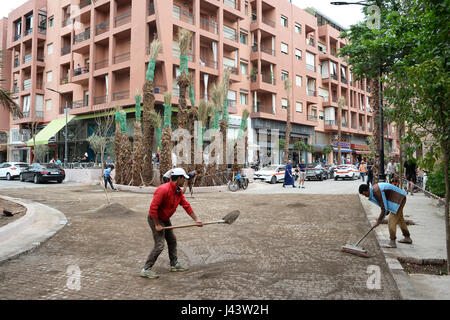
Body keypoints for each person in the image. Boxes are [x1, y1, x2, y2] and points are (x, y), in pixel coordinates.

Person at [141, 168, 203, 279]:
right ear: (179, 178)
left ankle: (174, 264)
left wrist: (196, 219)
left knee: (172, 240)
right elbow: (153, 208)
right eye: (183, 178)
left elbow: (186, 205)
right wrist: (157, 225)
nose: (184, 180)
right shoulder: (163, 189)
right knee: (160, 245)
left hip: (164, 218)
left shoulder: (178, 191)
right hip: (155, 218)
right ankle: (146, 269)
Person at [359, 183, 412, 248]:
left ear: (367, 190)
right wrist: (382, 216)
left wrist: (378, 221)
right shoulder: (373, 190)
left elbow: (384, 209)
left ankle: (392, 242)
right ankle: (407, 237)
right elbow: (384, 207)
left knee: (391, 221)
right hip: (398, 199)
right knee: (400, 219)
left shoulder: (376, 191)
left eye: (365, 194)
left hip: (399, 199)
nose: (366, 196)